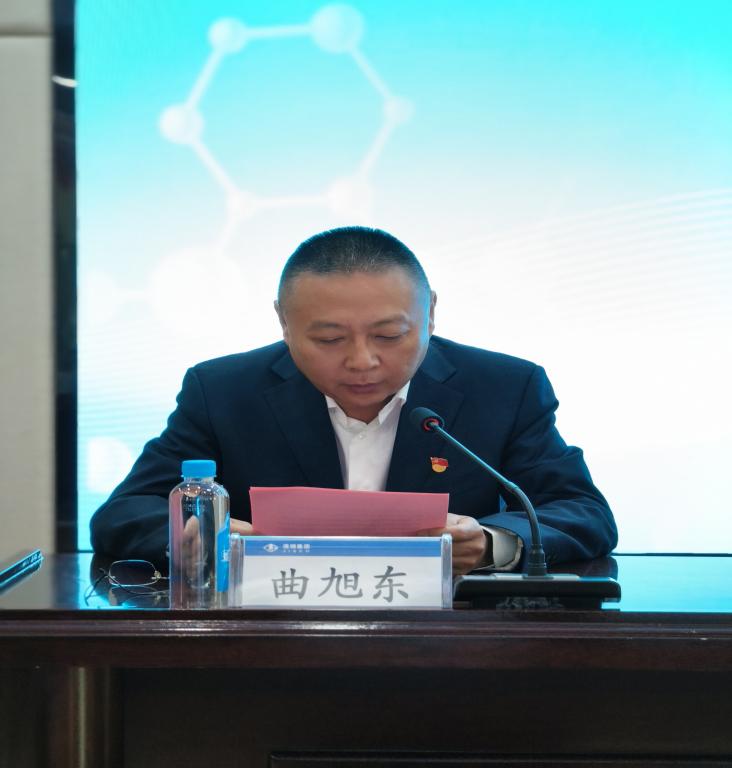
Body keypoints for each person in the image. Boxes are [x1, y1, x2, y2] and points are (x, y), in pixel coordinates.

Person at [91, 226, 617, 574]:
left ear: (431, 313)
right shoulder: (224, 390)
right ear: (283, 322)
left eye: (389, 335)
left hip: (449, 646)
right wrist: (197, 536)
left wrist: (494, 543)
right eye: (329, 339)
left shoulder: (504, 387)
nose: (362, 361)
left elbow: (581, 511)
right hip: (271, 640)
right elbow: (125, 513)